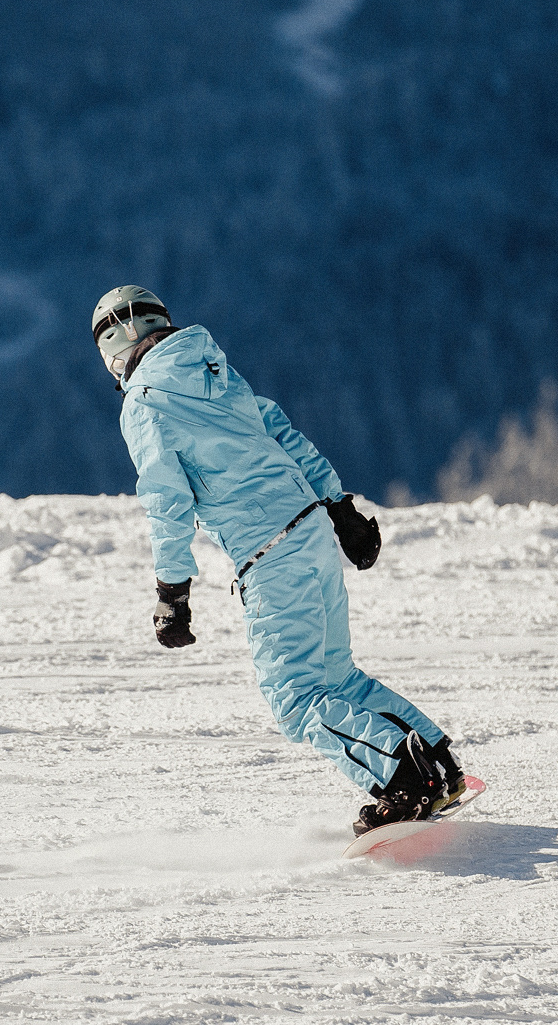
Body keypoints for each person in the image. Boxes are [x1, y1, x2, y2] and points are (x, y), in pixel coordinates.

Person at [93, 284, 466, 835]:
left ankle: (407, 782)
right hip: (310, 528)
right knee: (335, 675)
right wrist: (341, 510)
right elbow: (279, 431)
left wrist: (172, 593)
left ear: (115, 345)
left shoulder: (145, 401)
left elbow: (166, 503)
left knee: (295, 697)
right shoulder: (210, 368)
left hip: (268, 551)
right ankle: (438, 764)